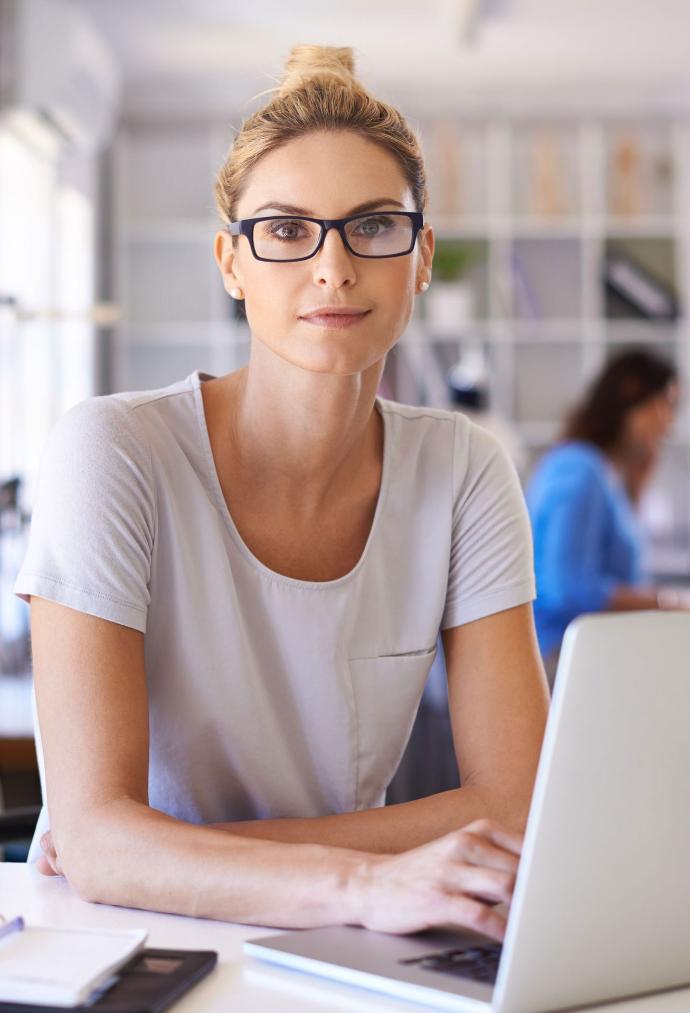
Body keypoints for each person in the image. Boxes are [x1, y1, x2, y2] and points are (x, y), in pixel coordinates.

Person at [14, 45, 548, 941]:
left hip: (337, 942)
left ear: (420, 259)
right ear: (232, 262)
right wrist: (359, 880)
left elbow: (519, 808)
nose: (333, 267)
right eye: (288, 230)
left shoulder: (464, 472)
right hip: (125, 940)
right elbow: (101, 851)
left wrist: (181, 850)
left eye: (374, 226)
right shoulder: (113, 453)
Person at [526, 348, 680, 681]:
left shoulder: (601, 472)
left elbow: (618, 563)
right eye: (665, 404)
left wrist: (637, 488)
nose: (669, 422)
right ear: (633, 398)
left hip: (583, 655)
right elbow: (566, 586)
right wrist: (663, 603)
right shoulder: (579, 470)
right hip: (558, 661)